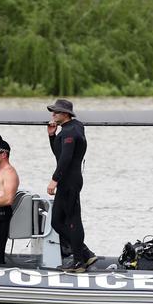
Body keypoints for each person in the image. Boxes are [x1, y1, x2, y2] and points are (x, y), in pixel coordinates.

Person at [46, 99, 97, 273]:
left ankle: (79, 262)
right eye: (52, 112)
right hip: (68, 180)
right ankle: (84, 253)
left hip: (70, 181)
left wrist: (55, 179)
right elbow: (59, 154)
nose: (53, 115)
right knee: (56, 221)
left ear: (66, 114)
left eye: (56, 112)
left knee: (73, 220)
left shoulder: (70, 132)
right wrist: (52, 136)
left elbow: (66, 159)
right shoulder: (70, 128)